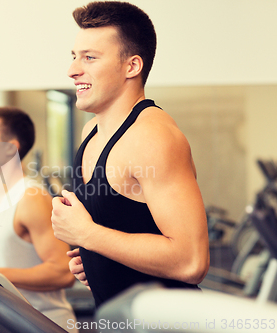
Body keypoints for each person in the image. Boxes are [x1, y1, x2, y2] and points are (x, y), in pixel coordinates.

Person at [51, 1, 210, 308]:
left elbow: (192, 262)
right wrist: (96, 259)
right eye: (74, 56)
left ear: (132, 66)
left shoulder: (152, 137)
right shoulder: (91, 132)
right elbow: (123, 226)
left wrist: (89, 236)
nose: (72, 70)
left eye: (90, 58)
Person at [0, 106, 78, 332]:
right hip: (8, 321)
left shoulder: (30, 197)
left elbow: (63, 272)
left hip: (44, 323)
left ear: (10, 149)